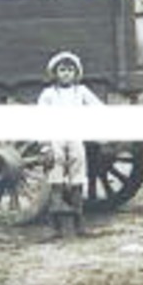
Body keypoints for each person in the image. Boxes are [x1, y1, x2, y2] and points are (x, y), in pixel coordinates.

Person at [37, 50, 103, 237]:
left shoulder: (81, 92)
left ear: (76, 73)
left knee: (78, 177)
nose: (66, 73)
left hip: (75, 137)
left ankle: (79, 224)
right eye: (62, 70)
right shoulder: (48, 94)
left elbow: (98, 109)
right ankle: (54, 227)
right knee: (55, 177)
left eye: (70, 70)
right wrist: (45, 146)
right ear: (55, 73)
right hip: (55, 137)